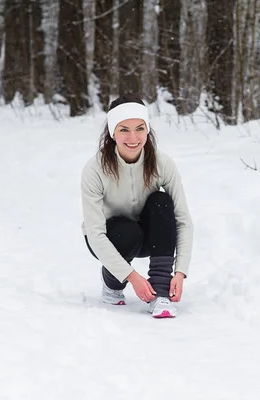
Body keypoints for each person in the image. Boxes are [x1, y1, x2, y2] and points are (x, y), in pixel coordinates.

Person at [80, 94, 193, 318]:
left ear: (147, 129)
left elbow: (182, 220)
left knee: (161, 202)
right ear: (113, 132)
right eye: (124, 129)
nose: (133, 137)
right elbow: (95, 233)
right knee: (126, 230)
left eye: (140, 128)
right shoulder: (95, 169)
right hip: (111, 238)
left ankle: (160, 292)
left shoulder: (162, 163)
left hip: (149, 236)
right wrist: (131, 276)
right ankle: (112, 283)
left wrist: (180, 272)